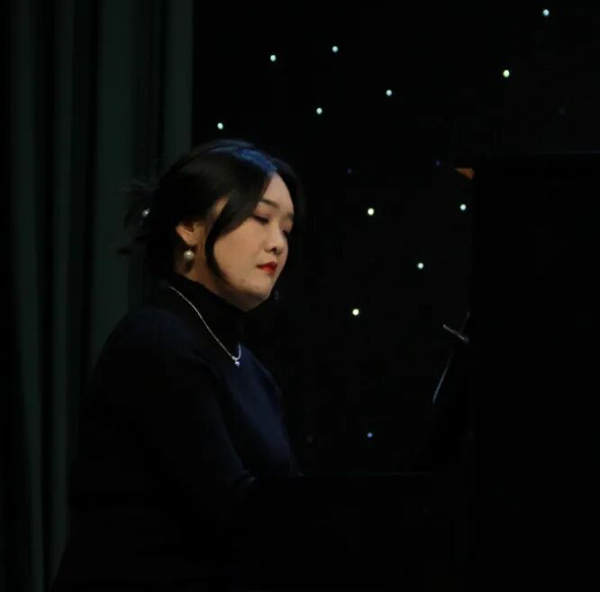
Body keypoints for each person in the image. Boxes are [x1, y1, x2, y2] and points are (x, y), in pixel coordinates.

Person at [50, 139, 320, 591]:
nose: (277, 244)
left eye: (287, 230)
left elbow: (289, 503)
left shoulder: (253, 371)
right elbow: (231, 510)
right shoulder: (155, 342)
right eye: (260, 218)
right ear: (190, 226)